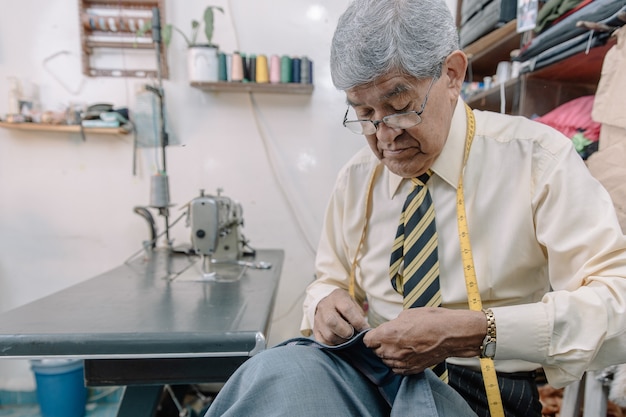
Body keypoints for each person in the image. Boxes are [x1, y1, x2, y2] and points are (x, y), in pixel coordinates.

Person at [204, 0, 626, 415]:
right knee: (273, 374)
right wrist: (322, 304)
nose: (383, 135)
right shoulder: (356, 179)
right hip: (374, 376)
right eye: (364, 112)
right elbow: (328, 279)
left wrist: (477, 331)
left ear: (452, 74)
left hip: (482, 386)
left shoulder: (537, 159)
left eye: (400, 108)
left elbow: (617, 305)